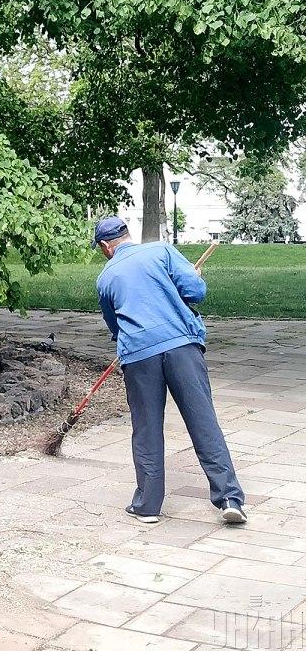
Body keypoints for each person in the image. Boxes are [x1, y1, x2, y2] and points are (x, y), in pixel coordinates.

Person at [94, 216, 246, 525]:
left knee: (147, 427)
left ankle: (148, 506)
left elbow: (115, 327)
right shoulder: (161, 251)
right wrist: (194, 279)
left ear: (104, 246)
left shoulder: (105, 278)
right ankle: (229, 498)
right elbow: (195, 292)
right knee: (203, 421)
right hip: (182, 349)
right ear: (127, 235)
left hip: (138, 356)